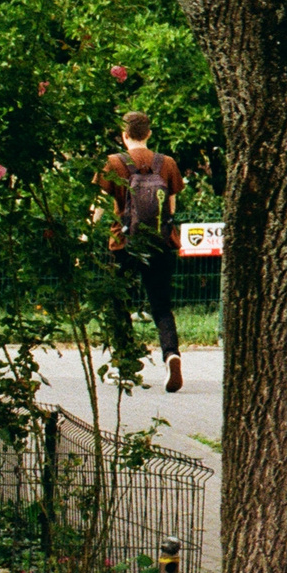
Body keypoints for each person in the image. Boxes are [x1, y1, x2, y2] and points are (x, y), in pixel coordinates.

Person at [96, 110, 183, 392]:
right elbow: (170, 209)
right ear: (148, 134)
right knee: (161, 306)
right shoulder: (167, 163)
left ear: (124, 135)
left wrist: (87, 233)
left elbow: (98, 205)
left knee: (118, 303)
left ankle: (125, 364)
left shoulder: (112, 163)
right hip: (160, 244)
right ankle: (171, 354)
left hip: (123, 244)